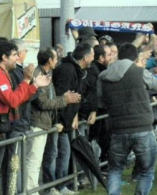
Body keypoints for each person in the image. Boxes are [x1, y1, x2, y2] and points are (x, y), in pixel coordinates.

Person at [98, 43, 157, 195]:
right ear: (135, 58)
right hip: (143, 128)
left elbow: (100, 99)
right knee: (146, 171)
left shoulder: (103, 77)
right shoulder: (139, 72)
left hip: (118, 129)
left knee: (115, 169)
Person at [42, 43, 94, 195]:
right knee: (52, 154)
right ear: (86, 57)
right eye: (92, 56)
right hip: (57, 120)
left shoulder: (77, 70)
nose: (93, 59)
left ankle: (60, 185)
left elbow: (73, 98)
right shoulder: (67, 70)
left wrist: (74, 115)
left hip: (66, 120)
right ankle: (50, 186)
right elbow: (60, 96)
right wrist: (59, 119)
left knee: (64, 152)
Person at [28, 48, 81, 195]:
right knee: (34, 161)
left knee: (42, 158)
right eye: (56, 58)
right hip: (38, 123)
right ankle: (34, 191)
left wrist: (62, 98)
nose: (58, 61)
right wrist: (64, 100)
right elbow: (43, 103)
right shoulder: (38, 75)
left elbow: (48, 100)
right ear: (50, 60)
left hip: (46, 123)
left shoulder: (45, 74)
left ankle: (43, 188)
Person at [0, 40, 51, 191]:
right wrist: (28, 81)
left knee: (6, 169)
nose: (18, 58)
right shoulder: (1, 76)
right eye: (15, 55)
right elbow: (13, 100)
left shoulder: (5, 74)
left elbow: (16, 98)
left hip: (5, 127)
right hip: (5, 126)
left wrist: (33, 85)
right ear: (4, 57)